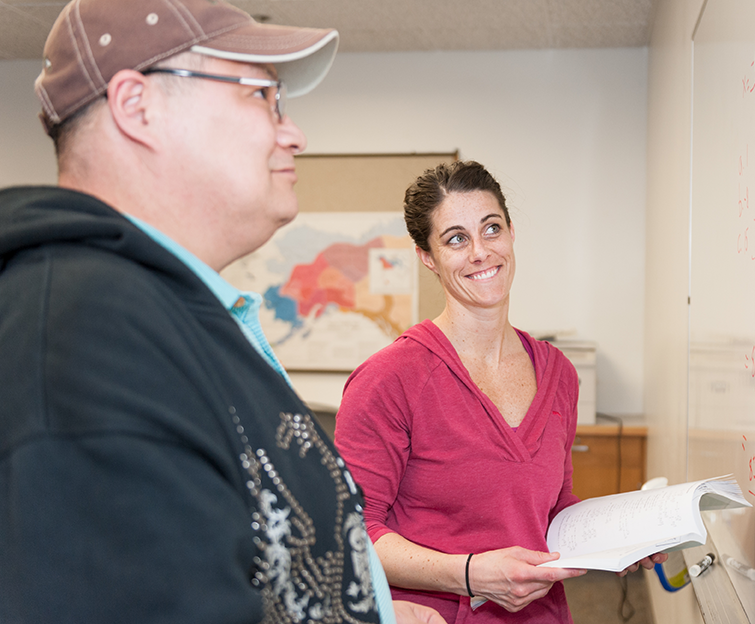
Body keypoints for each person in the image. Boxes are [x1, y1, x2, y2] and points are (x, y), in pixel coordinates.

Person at [0, 1, 443, 623]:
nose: (293, 133)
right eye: (262, 95)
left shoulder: (167, 311)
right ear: (138, 107)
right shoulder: (83, 335)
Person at [333, 161, 666, 623]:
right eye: (455, 239)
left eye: (491, 229)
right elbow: (351, 532)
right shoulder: (389, 380)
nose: (480, 252)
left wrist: (615, 542)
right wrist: (469, 574)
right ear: (427, 256)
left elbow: (551, 508)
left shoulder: (558, 373)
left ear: (511, 233)